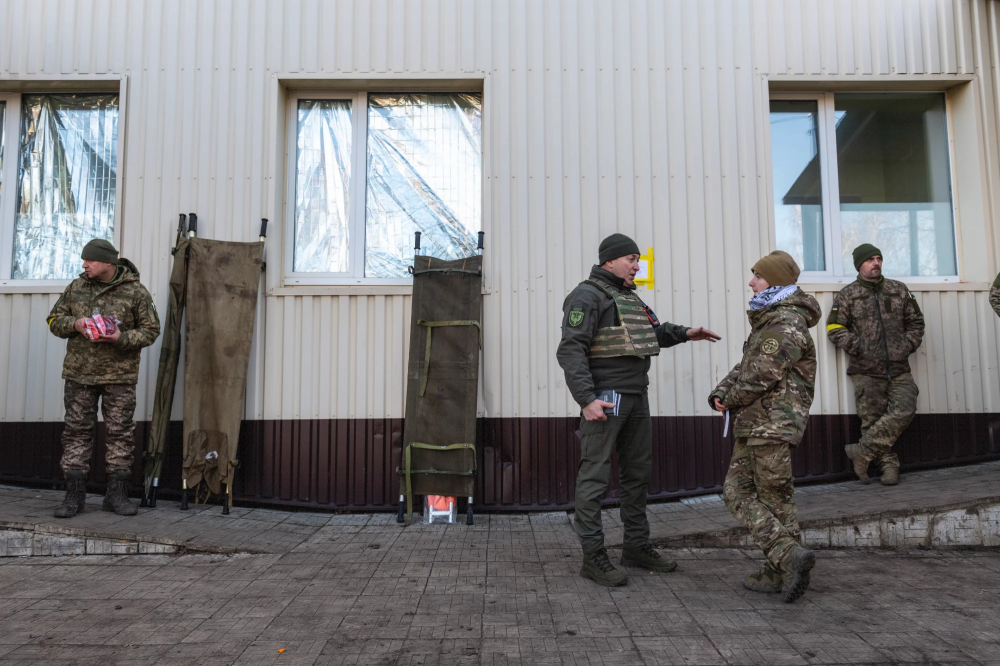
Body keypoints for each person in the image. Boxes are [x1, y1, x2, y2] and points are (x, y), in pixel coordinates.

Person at [557, 233, 721, 587]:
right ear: (610, 261)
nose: (637, 266)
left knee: (637, 474)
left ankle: (635, 546)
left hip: (636, 397)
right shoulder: (586, 295)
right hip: (606, 398)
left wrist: (685, 333)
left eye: (637, 260)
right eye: (631, 259)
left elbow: (652, 333)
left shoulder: (628, 298)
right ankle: (593, 557)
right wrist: (586, 399)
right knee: (594, 477)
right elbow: (570, 351)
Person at [709, 251, 819, 603]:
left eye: (757, 276)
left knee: (759, 497)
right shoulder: (770, 320)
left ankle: (785, 559)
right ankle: (782, 567)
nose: (751, 282)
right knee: (764, 499)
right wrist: (722, 391)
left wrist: (731, 398)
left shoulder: (784, 323)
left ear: (774, 281)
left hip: (770, 425)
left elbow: (760, 376)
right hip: (757, 424)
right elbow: (747, 366)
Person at [46, 239, 161, 518]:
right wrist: (75, 323)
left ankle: (116, 495)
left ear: (108, 263)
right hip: (79, 375)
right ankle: (74, 496)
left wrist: (122, 338)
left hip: (119, 376)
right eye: (84, 260)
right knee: (76, 433)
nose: (84, 265)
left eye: (91, 261)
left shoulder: (135, 292)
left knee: (120, 434)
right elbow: (53, 320)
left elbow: (152, 330)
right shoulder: (76, 287)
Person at [827, 244, 924, 486]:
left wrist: (906, 345)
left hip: (899, 367)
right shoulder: (848, 295)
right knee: (871, 420)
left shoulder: (898, 290)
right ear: (859, 265)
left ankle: (861, 451)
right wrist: (860, 347)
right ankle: (889, 466)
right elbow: (834, 328)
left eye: (878, 258)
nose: (876, 263)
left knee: (906, 408)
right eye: (870, 259)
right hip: (866, 370)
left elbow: (916, 322)